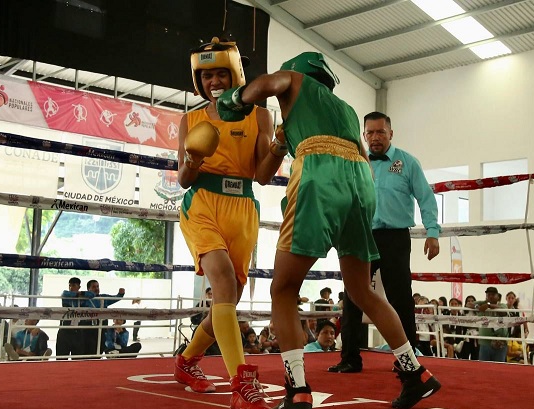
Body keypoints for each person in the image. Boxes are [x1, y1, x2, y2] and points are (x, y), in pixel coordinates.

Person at [217, 51, 441, 409]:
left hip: (319, 176)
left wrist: (234, 99)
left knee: (283, 289)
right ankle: (416, 374)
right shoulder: (345, 111)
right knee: (362, 291)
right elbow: (263, 174)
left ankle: (298, 389)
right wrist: (279, 140)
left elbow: (267, 84)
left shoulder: (295, 81)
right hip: (362, 186)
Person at [173, 37, 283, 409]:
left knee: (228, 300)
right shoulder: (191, 119)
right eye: (207, 76)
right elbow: (184, 179)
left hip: (243, 207)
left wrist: (280, 145)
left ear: (235, 75)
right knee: (220, 281)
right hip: (202, 203)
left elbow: (263, 175)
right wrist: (193, 159)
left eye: (221, 74)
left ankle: (187, 361)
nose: (214, 82)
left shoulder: (259, 116)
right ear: (199, 81)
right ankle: (242, 384)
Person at [331, 111, 441, 373]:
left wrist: (432, 232)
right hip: (361, 235)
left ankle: (407, 361)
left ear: (391, 133)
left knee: (400, 297)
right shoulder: (354, 162)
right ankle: (350, 358)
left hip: (395, 237)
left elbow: (426, 198)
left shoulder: (407, 162)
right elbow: (342, 197)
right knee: (353, 296)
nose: (375, 137)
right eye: (370, 132)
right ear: (364, 135)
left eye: (380, 132)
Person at [81, 280, 125, 357]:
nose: (96, 288)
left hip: (102, 327)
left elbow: (116, 298)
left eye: (97, 286)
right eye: (94, 287)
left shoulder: (103, 297)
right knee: (90, 348)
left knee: (101, 347)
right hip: (89, 328)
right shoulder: (84, 299)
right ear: (88, 289)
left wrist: (121, 294)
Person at [56, 277, 95, 360]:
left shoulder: (83, 298)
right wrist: (77, 295)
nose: (71, 288)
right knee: (61, 358)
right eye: (70, 285)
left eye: (73, 285)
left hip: (78, 330)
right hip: (65, 329)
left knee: (77, 358)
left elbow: (92, 294)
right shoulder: (66, 295)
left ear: (79, 287)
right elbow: (64, 294)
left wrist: (81, 294)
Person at [474, 287, 510, 362]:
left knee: (498, 367)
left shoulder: (503, 305)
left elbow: (504, 312)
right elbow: (468, 304)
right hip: (485, 343)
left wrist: (489, 306)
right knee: (483, 367)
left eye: (493, 294)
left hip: (500, 343)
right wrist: (477, 307)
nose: (490, 296)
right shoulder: (482, 304)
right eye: (488, 294)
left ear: (498, 296)